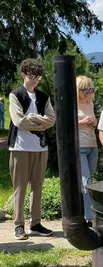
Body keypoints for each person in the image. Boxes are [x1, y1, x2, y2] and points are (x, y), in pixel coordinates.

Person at [8, 58, 55, 240]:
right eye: (32, 76)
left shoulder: (43, 97)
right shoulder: (15, 95)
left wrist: (33, 119)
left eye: (38, 77)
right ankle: (19, 225)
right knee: (19, 187)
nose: (35, 80)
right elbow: (19, 121)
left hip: (40, 148)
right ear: (23, 75)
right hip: (20, 147)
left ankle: (35, 223)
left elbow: (51, 119)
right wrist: (40, 122)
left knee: (38, 187)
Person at [76, 75, 98, 226]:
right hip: (80, 146)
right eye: (84, 90)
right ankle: (89, 218)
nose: (88, 93)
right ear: (77, 90)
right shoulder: (73, 105)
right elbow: (66, 124)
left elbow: (95, 124)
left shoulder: (90, 105)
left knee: (91, 180)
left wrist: (94, 122)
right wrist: (83, 121)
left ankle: (90, 213)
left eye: (90, 89)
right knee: (85, 182)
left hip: (93, 145)